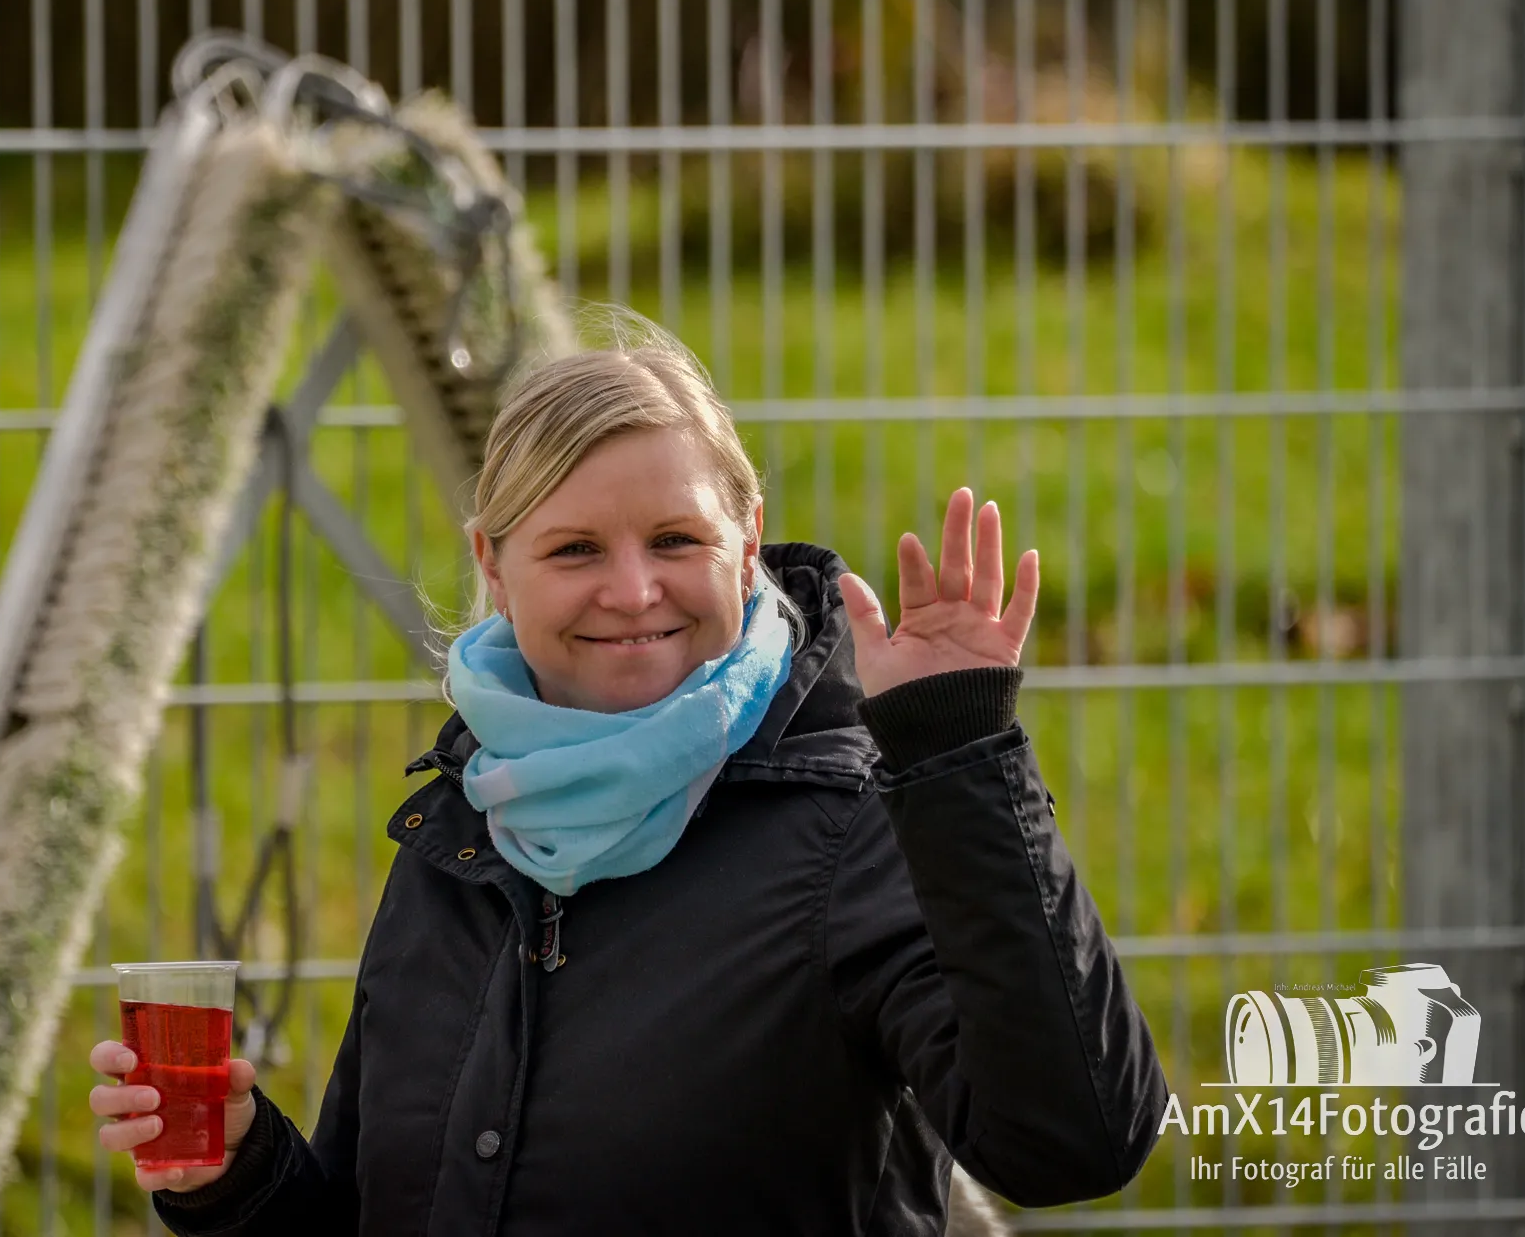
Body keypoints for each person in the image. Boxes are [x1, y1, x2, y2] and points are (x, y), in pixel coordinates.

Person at [88, 321, 1168, 1235]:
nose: (633, 589)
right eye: (574, 550)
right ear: (492, 565)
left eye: (675, 538)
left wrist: (959, 757)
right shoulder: (460, 827)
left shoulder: (852, 827)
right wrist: (243, 1173)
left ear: (745, 543)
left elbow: (1074, 1139)